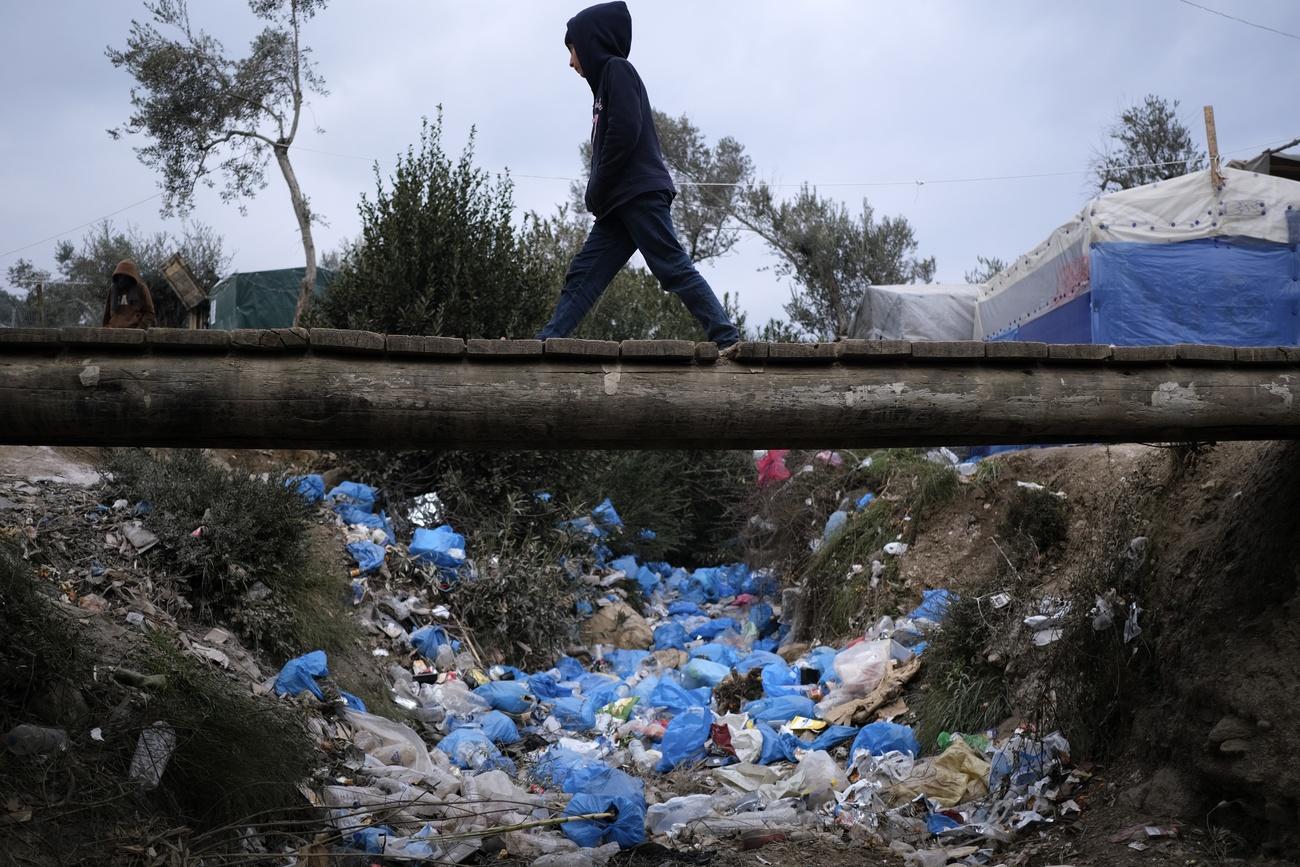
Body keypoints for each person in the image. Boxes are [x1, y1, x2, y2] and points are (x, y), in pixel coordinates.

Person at [536, 1, 740, 350]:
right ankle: (546, 341)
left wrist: (596, 185)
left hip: (638, 194)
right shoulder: (604, 87)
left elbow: (624, 133)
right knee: (584, 275)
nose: (571, 62)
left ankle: (727, 338)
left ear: (589, 42)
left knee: (671, 266)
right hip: (619, 201)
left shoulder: (618, 71)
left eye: (572, 50)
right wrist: (600, 191)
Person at [102, 259, 156, 329]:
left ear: (131, 276)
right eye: (120, 275)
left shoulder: (141, 288)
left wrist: (139, 329)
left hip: (134, 330)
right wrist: (106, 328)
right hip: (113, 330)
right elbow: (107, 313)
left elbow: (149, 313)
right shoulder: (113, 289)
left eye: (125, 276)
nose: (122, 279)